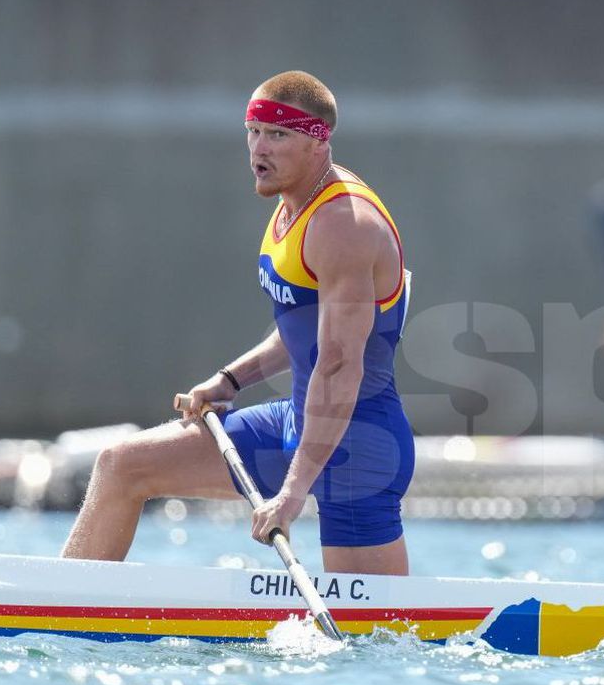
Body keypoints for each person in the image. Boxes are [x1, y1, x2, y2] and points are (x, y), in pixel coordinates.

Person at [62, 70, 414, 575]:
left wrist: (291, 496)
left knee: (375, 638)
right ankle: (61, 608)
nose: (258, 148)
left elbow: (338, 367)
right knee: (121, 466)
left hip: (356, 447)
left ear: (319, 142)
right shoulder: (290, 203)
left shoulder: (343, 225)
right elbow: (302, 327)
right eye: (252, 131)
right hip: (295, 421)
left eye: (277, 135)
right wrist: (230, 380)